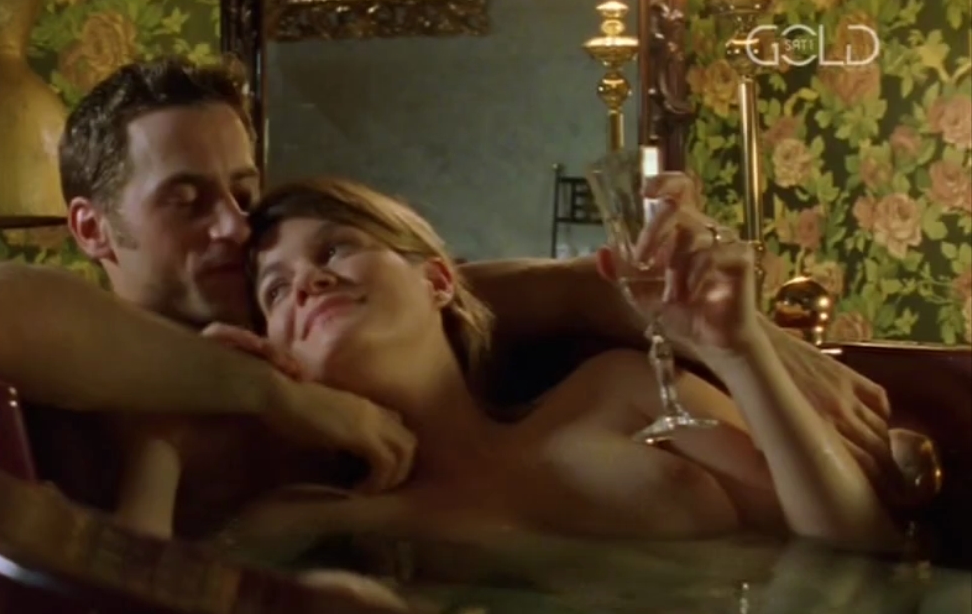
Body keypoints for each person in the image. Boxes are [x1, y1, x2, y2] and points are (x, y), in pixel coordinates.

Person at [0, 56, 896, 537]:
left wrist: (746, 342)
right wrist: (264, 399)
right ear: (92, 230)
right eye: (186, 200)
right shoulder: (281, 447)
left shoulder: (368, 327)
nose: (233, 228)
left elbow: (521, 291)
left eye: (242, 190)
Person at [221, 177, 909, 551]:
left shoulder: (617, 394)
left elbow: (856, 549)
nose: (308, 282)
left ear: (437, 281)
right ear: (281, 354)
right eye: (275, 291)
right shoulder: (326, 520)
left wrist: (742, 349)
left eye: (335, 249)